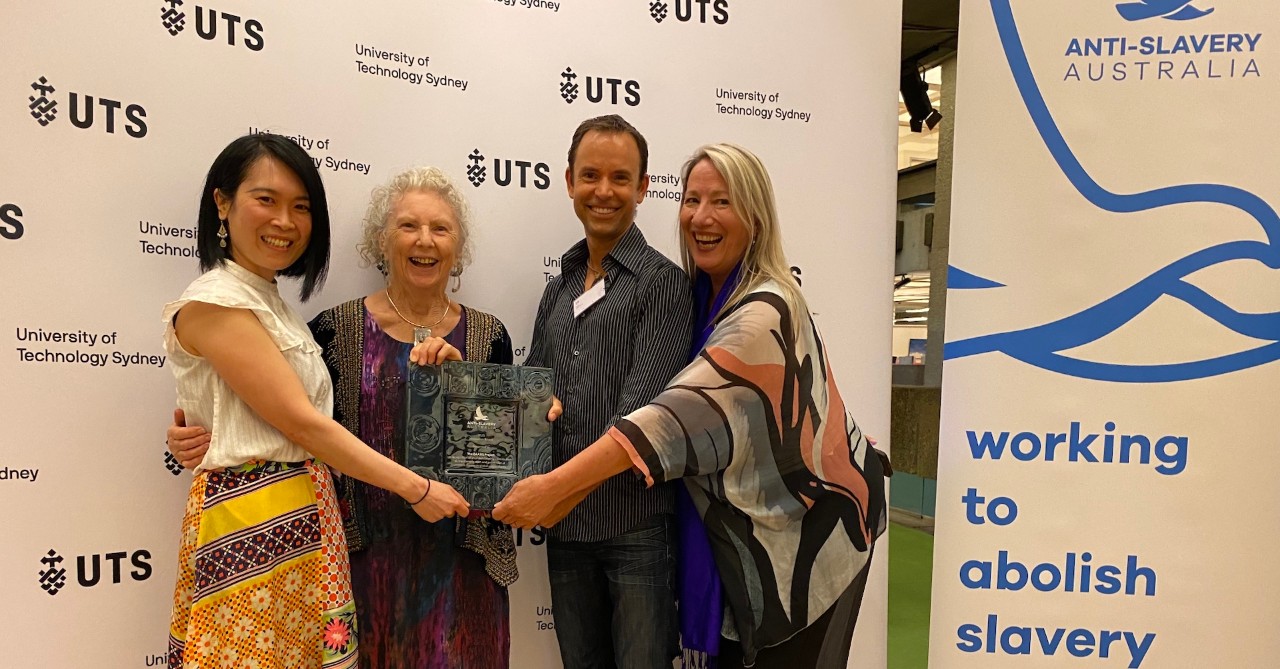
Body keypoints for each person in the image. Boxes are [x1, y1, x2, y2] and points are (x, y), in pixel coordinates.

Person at [495, 143, 890, 668]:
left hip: (809, 538)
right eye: (692, 199)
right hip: (743, 536)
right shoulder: (709, 293)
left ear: (755, 217)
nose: (701, 217)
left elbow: (663, 421)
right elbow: (534, 389)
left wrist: (554, 491)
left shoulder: (761, 310)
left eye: (722, 202)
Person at [168, 165, 529, 668]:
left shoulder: (489, 334)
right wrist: (203, 428)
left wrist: (487, 397)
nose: (424, 240)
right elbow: (290, 417)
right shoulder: (331, 330)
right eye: (407, 226)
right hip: (355, 562)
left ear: (457, 246)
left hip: (460, 567)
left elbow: (499, 467)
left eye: (440, 228)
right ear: (381, 241)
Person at [518, 114, 695, 668]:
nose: (603, 191)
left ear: (644, 188)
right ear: (568, 180)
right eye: (590, 175)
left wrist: (550, 495)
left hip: (635, 529)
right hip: (567, 531)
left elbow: (640, 423)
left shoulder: (662, 283)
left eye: (620, 177)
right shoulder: (560, 287)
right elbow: (532, 400)